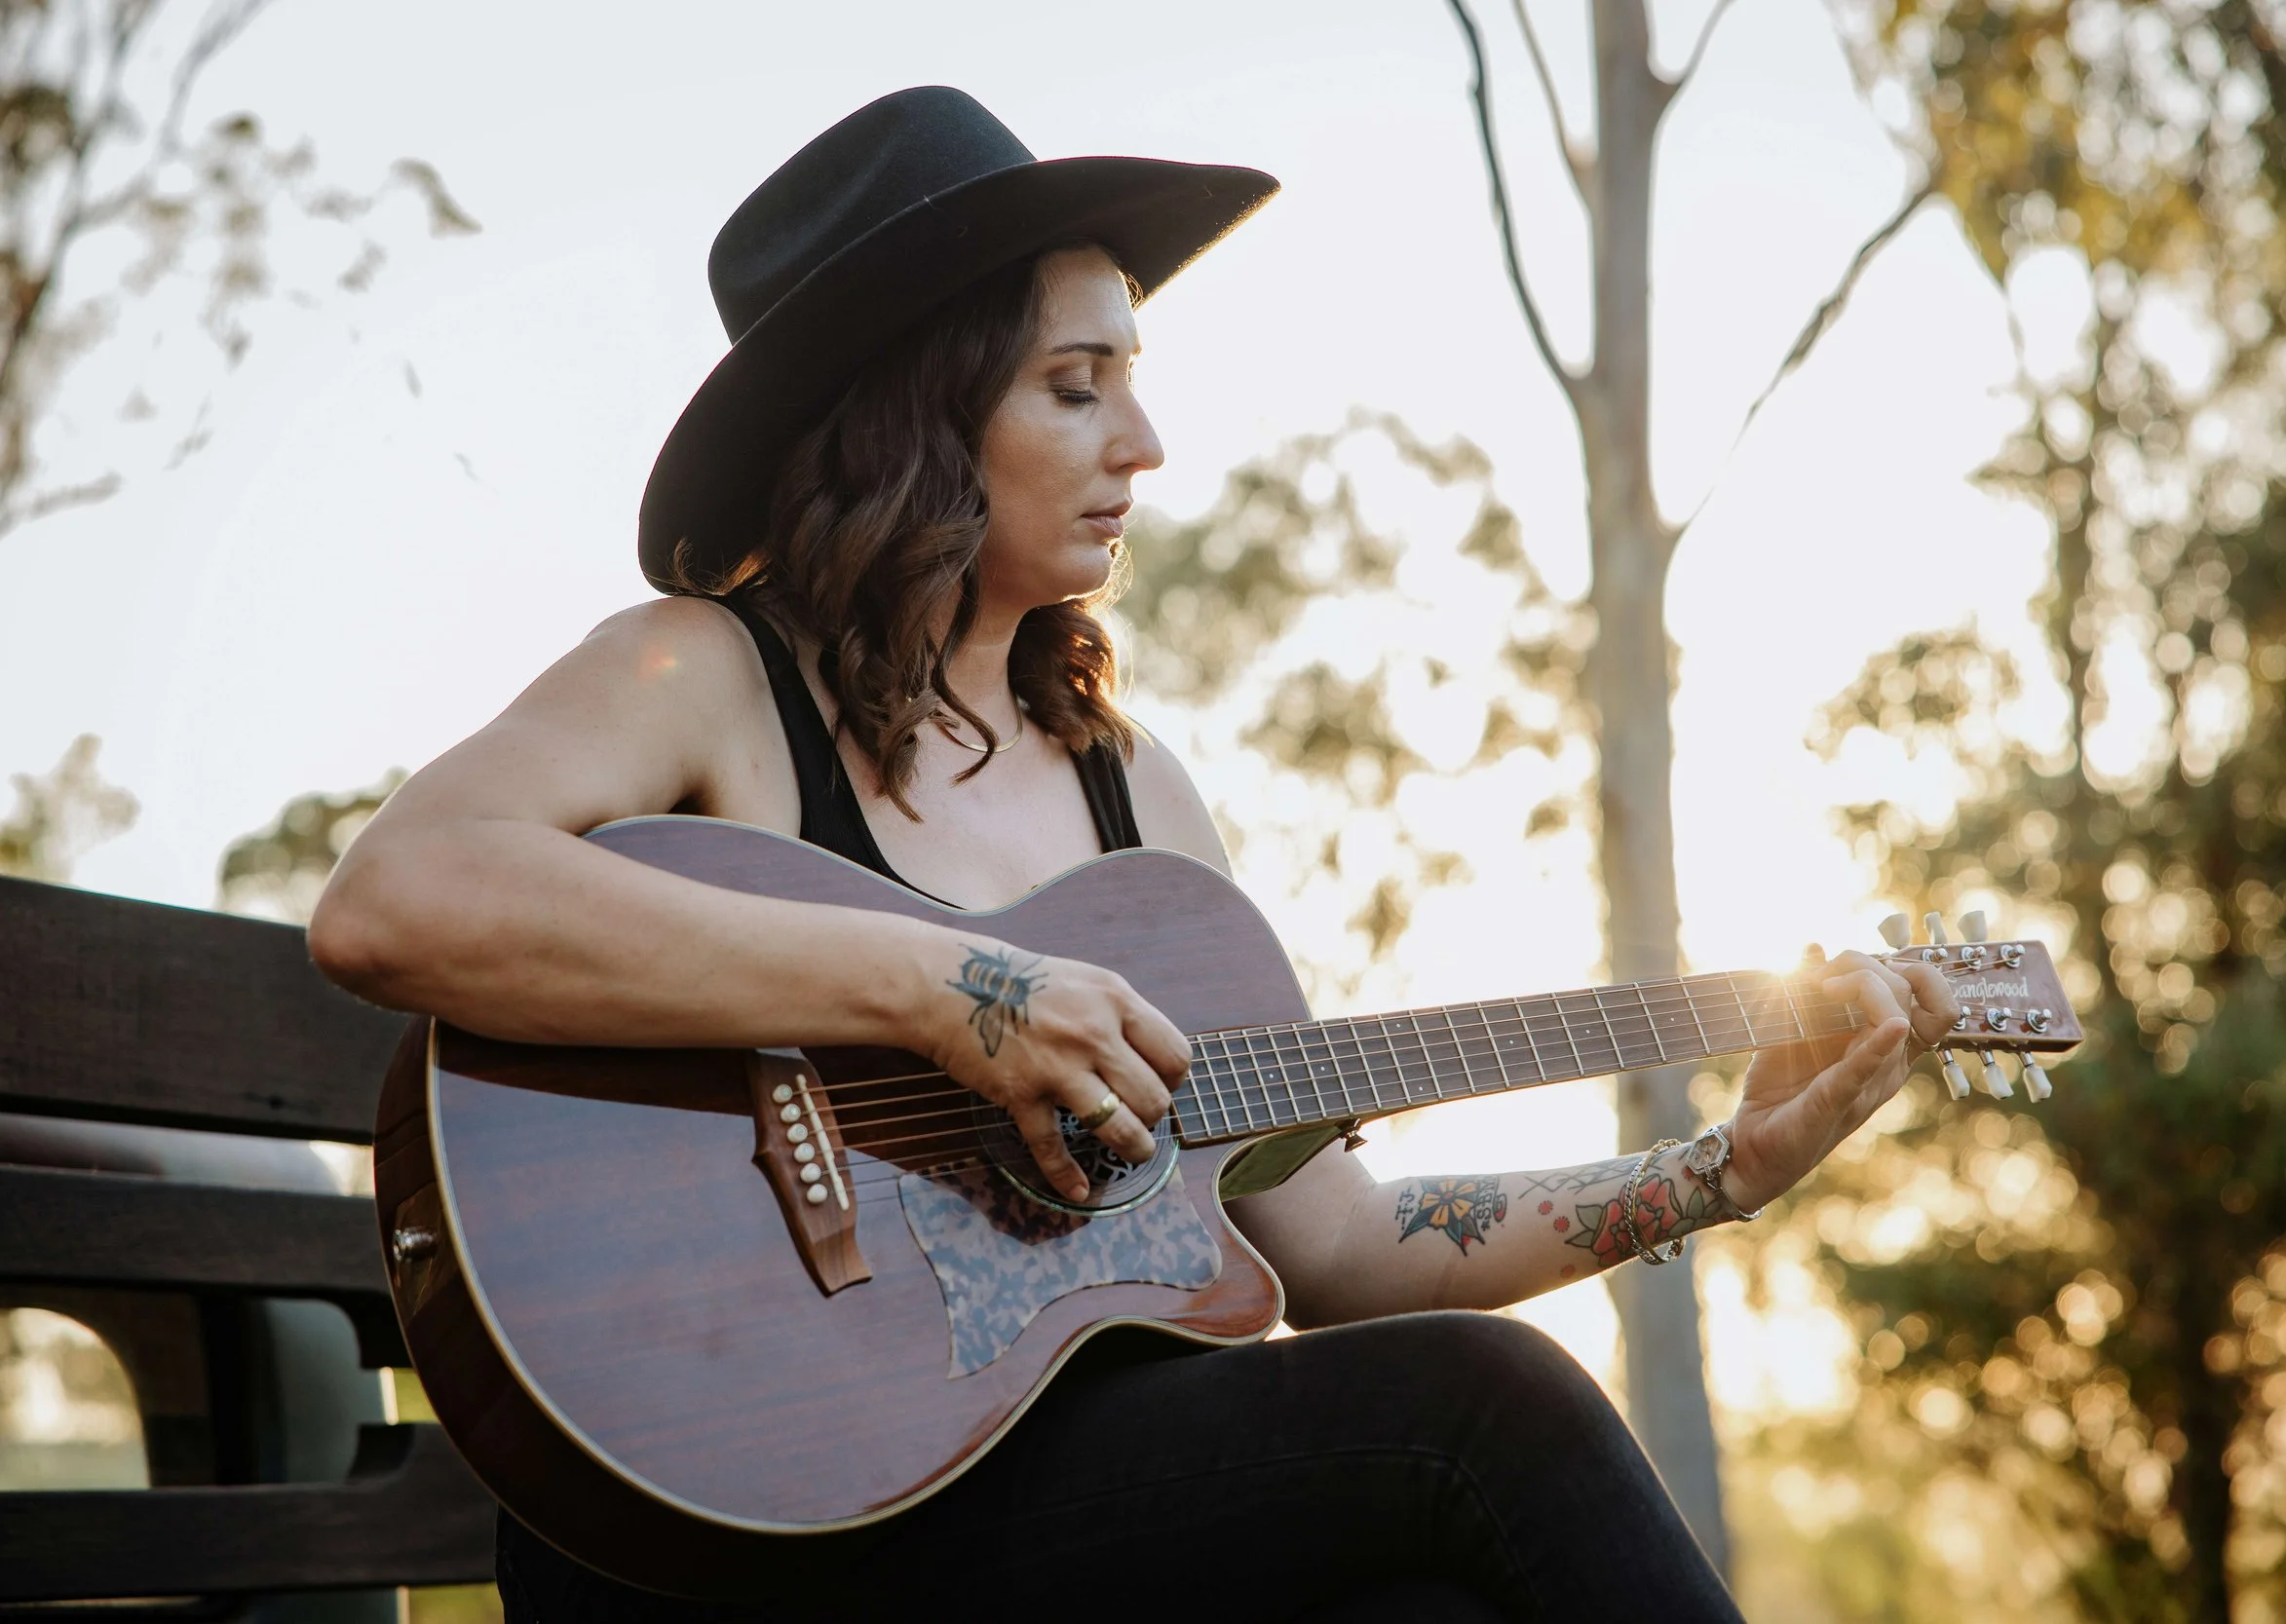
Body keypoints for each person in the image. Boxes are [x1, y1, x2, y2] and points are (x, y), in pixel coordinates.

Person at [310, 87, 1960, 1624]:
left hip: (1062, 1514)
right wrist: (948, 991)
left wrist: (1720, 1172)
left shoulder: (1133, 801)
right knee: (1493, 1409)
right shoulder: (706, 677)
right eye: (1076, 383)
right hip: (735, 1514)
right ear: (920, 406)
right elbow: (397, 899)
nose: (1145, 441)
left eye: (1132, 375)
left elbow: (1337, 1244)